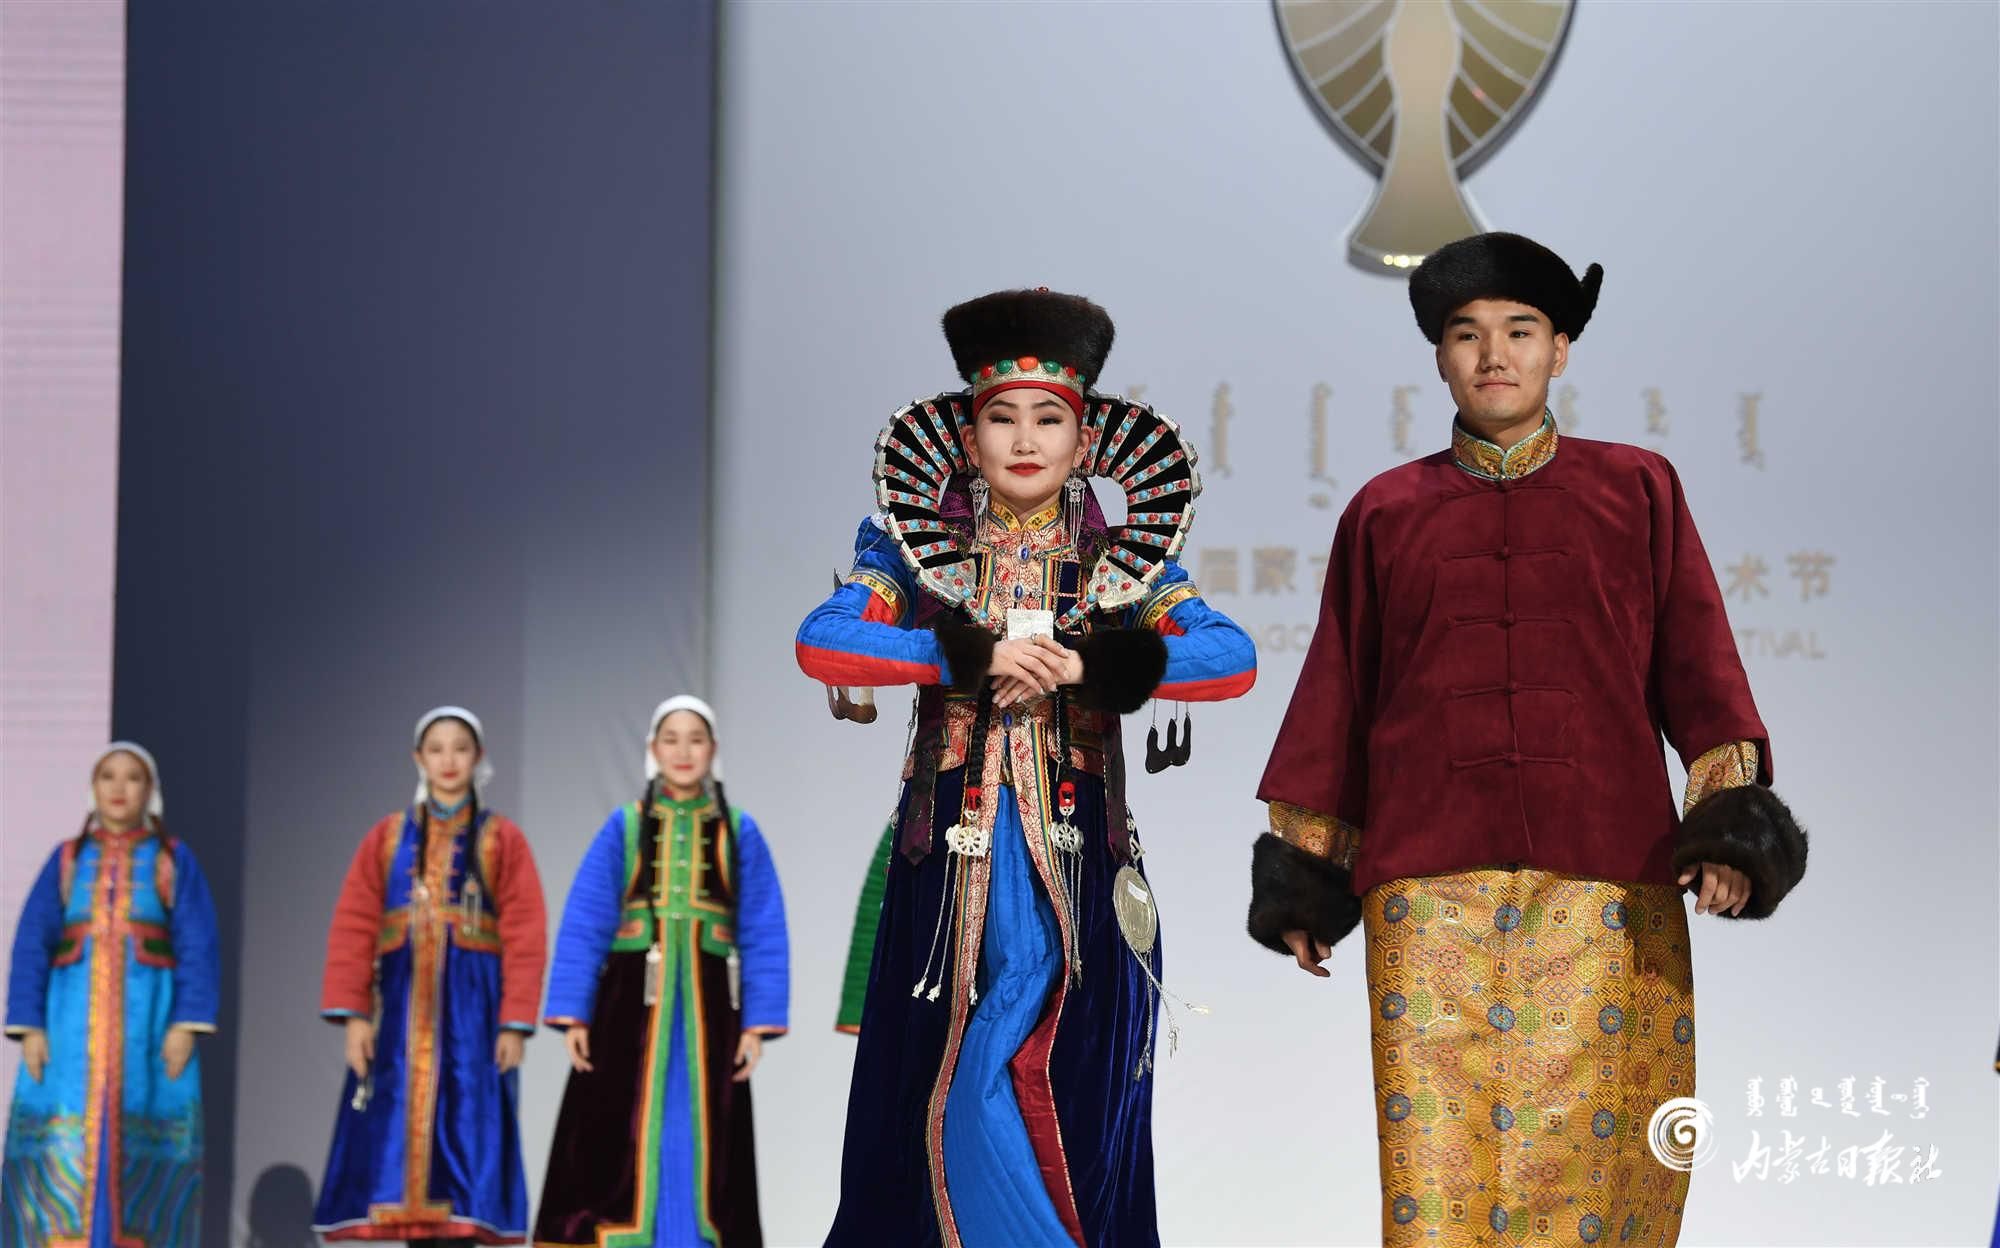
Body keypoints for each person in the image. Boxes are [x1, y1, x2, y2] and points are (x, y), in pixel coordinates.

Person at [1251, 233, 1809, 1246]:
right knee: (1435, 1183)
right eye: (1466, 334)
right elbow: (1336, 695)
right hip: (1427, 895)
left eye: (1519, 331)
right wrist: (1305, 876)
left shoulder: (1637, 487)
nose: (1493, 354)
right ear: (1438, 356)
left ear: (1560, 349)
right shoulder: (1383, 511)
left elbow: (1700, 669)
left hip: (1606, 883)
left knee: (1596, 1180)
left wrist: (1728, 832)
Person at [798, 287, 1256, 1246]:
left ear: (1085, 443)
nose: (1024, 438)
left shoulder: (1121, 563)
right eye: (1001, 418)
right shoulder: (919, 552)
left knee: (1064, 1086)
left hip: (1080, 870)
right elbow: (824, 641)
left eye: (1049, 418)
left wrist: (1085, 664)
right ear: (968, 441)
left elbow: (1233, 659)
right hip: (948, 866)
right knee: (941, 1083)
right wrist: (967, 655)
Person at [534, 696, 789, 1248]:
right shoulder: (625, 826)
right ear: (653, 749)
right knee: (614, 1126)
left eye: (695, 739)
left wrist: (756, 1023)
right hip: (625, 1008)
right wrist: (574, 1013)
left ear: (712, 750)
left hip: (710, 1014)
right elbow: (585, 920)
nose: (683, 751)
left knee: (708, 1130)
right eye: (671, 740)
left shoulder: (737, 831)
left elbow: (762, 927)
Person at [314, 707, 547, 1245]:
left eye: (460, 749)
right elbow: (354, 927)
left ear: (478, 757)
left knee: (469, 1138)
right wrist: (355, 1018)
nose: (448, 761)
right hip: (400, 1016)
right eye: (436, 749)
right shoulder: (388, 838)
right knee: (398, 1145)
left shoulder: (501, 839)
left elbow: (526, 933)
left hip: (474, 1018)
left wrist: (514, 1022)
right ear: (418, 758)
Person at [2, 742, 220, 1247]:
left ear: (151, 791)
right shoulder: (67, 860)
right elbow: (32, 942)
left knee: (145, 1135)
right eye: (108, 777)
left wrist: (186, 1023)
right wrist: (30, 1026)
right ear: (93, 789)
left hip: (149, 1028)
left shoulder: (171, 860)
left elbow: (198, 942)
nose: (119, 788)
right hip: (68, 1029)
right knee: (63, 1136)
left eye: (132, 778)